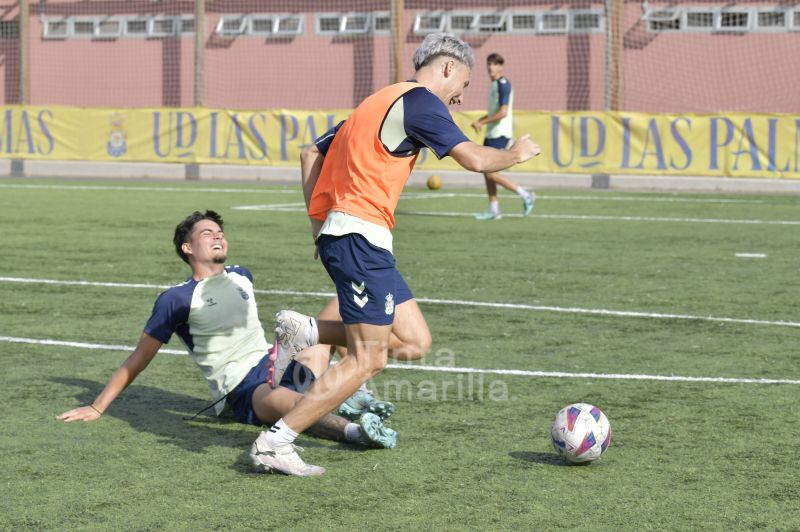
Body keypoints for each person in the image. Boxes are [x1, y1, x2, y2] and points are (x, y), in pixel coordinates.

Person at [249, 33, 541, 476]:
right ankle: (276, 442)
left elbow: (312, 151)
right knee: (371, 357)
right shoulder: (423, 102)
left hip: (354, 236)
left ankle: (307, 331)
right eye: (463, 83)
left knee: (416, 342)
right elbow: (476, 160)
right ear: (447, 67)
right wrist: (515, 153)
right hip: (359, 237)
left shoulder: (380, 99)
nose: (461, 97)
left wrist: (319, 225)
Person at [57, 210, 397, 472]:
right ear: (188, 248)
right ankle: (356, 431)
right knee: (290, 405)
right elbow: (138, 358)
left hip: (277, 361)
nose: (218, 236)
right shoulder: (175, 300)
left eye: (220, 232)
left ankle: (352, 389)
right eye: (207, 233)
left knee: (343, 303)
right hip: (243, 389)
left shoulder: (242, 275)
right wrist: (97, 406)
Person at [469, 53, 535, 220]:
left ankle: (525, 195)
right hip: (491, 133)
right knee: (486, 172)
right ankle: (494, 209)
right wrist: (481, 120)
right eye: (488, 64)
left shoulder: (503, 84)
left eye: (494, 64)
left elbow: (503, 113)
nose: (490, 67)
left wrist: (483, 123)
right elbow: (494, 112)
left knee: (491, 173)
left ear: (500, 66)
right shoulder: (494, 85)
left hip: (500, 134)